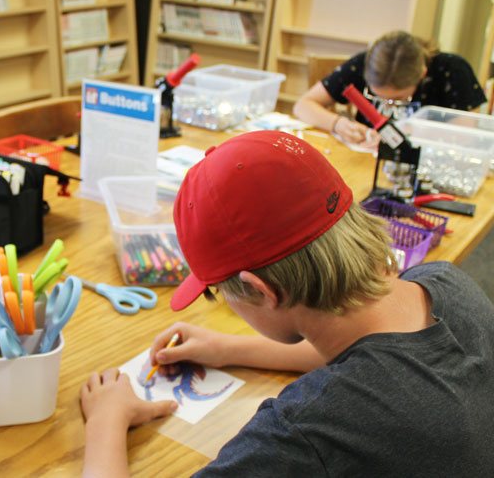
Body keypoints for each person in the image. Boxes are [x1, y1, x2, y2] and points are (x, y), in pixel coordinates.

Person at [80, 131, 494, 476]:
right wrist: (228, 347)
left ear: (260, 290)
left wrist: (106, 420)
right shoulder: (443, 282)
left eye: (216, 291)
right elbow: (380, 360)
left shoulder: (308, 430)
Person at [293, 30, 487, 146]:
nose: (386, 104)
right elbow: (303, 105)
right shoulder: (364, 63)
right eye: (378, 96)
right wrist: (338, 124)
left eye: (399, 97)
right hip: (363, 160)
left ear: (422, 74)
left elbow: (466, 135)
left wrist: (408, 132)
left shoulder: (452, 71)